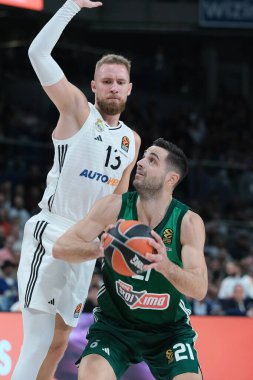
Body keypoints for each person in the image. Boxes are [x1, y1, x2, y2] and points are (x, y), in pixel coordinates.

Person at [12, 0, 141, 378]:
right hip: (51, 229)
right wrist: (70, 6)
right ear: (94, 86)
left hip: (86, 242)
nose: (113, 87)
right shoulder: (76, 110)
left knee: (59, 340)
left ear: (130, 89)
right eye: (106, 81)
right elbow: (37, 53)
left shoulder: (131, 140)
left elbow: (119, 199)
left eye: (120, 82)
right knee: (37, 339)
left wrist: (122, 241)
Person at [53, 138, 208, 380]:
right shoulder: (113, 207)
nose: (141, 163)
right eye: (143, 156)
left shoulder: (187, 222)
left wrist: (166, 266)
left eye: (152, 160)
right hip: (114, 327)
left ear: (171, 179)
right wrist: (101, 249)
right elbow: (61, 248)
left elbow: (199, 289)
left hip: (168, 333)